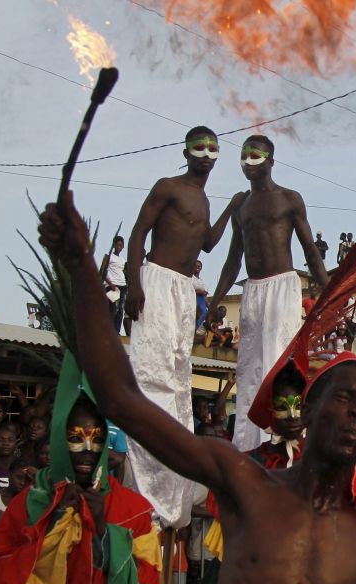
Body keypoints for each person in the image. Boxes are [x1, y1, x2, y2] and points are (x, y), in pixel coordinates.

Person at [39, 193, 356, 584]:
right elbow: (120, 398)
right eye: (345, 399)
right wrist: (82, 269)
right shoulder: (244, 483)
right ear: (309, 410)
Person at [0, 354, 167, 584]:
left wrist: (104, 534)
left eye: (96, 438)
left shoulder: (132, 509)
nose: (88, 449)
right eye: (76, 438)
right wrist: (54, 518)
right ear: (60, 440)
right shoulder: (29, 504)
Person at [123, 126, 235, 530]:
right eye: (198, 147)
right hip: (157, 279)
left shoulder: (204, 199)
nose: (205, 154)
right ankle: (144, 492)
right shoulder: (168, 186)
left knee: (178, 380)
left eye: (212, 148)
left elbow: (206, 243)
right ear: (186, 151)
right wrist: (133, 282)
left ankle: (173, 486)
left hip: (185, 291)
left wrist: (231, 207)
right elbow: (138, 232)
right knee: (151, 377)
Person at [207, 135, 330, 454]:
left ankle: (281, 444)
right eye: (244, 156)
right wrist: (215, 300)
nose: (249, 162)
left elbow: (311, 251)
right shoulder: (241, 207)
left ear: (271, 161)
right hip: (253, 291)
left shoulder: (289, 199)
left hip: (282, 287)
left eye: (256, 156)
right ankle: (248, 447)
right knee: (248, 369)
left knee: (278, 364)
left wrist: (330, 291)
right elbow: (233, 260)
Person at [99, 235, 129, 335]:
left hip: (123, 285)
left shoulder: (122, 260)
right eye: (118, 245)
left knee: (121, 310)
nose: (119, 247)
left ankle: (116, 331)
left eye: (121, 246)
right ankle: (109, 331)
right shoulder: (108, 257)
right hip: (112, 286)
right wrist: (110, 284)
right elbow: (102, 272)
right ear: (114, 245)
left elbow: (124, 272)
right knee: (113, 309)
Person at [193, 259, 210, 332]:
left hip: (202, 300)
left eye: (199, 266)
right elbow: (187, 289)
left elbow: (204, 295)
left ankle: (195, 329)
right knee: (198, 313)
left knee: (205, 313)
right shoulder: (190, 278)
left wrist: (208, 305)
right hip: (194, 298)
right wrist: (199, 292)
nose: (197, 267)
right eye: (196, 266)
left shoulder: (201, 280)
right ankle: (193, 329)